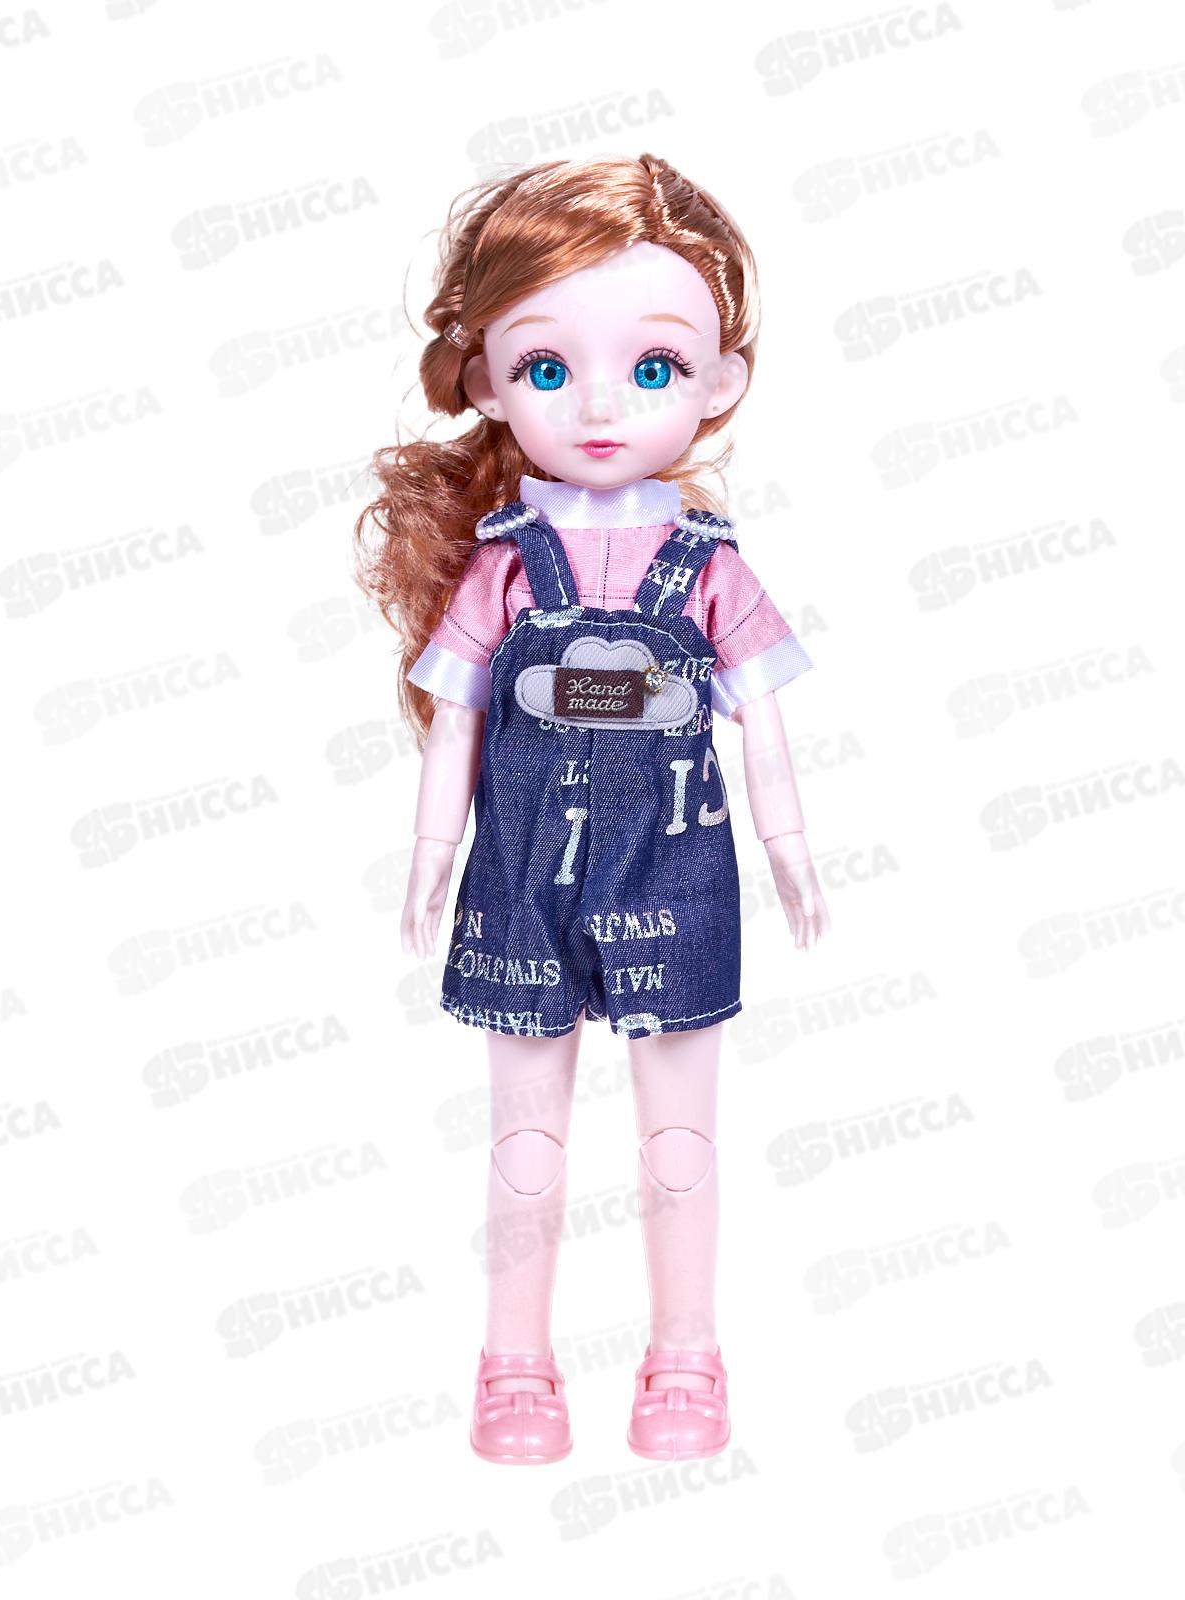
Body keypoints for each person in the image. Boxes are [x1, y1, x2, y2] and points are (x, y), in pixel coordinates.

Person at [354, 152, 831, 1465]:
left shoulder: (710, 569)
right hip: (519, 873)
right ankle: (514, 1364)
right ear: (487, 381)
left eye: (656, 366)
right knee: (525, 1139)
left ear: (721, 381)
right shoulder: (506, 569)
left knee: (679, 1136)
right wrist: (431, 853)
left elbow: (765, 722)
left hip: (675, 872)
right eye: (549, 367)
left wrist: (789, 847)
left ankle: (687, 1355)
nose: (604, 405)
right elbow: (459, 720)